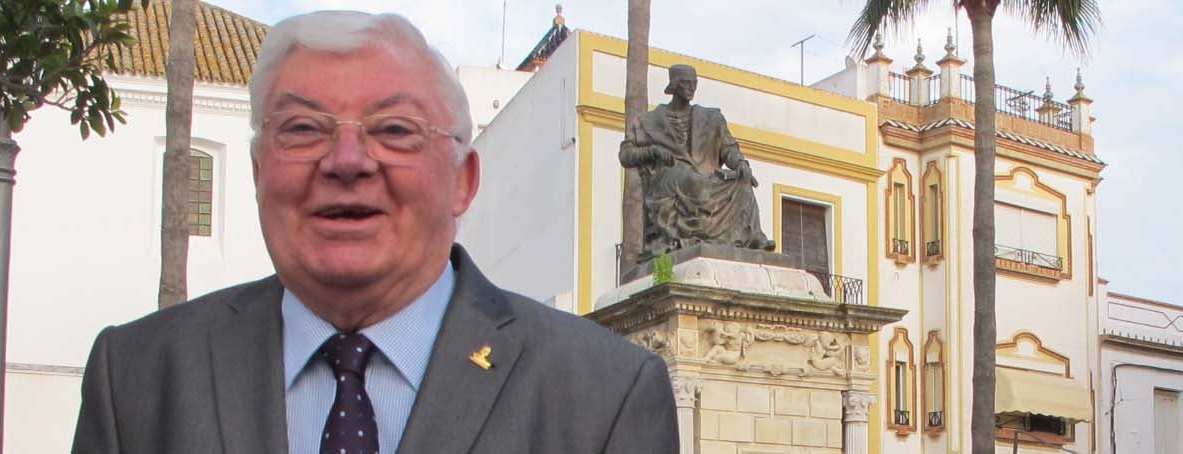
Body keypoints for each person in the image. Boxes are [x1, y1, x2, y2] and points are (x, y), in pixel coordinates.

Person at [71, 10, 677, 454]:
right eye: (304, 128)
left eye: (394, 130)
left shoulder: (604, 395)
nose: (347, 160)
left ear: (463, 181)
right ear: (259, 172)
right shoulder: (136, 378)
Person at [620, 64, 773, 259]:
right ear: (674, 85)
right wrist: (652, 151)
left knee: (742, 181)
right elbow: (625, 155)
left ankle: (753, 237)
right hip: (670, 181)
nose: (691, 88)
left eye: (694, 83)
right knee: (690, 180)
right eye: (686, 83)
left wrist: (741, 163)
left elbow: (729, 149)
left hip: (706, 180)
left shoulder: (712, 118)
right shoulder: (649, 121)